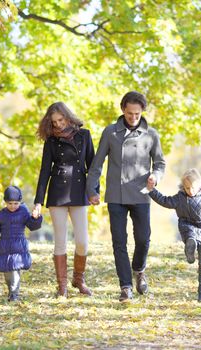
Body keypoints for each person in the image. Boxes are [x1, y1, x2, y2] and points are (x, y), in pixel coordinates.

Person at [86, 91, 166, 302]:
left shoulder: (151, 134)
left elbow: (160, 164)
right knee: (119, 242)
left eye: (137, 114)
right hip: (116, 195)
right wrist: (92, 190)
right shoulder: (110, 133)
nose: (133, 118)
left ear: (142, 112)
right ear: (123, 110)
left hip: (141, 194)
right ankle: (126, 286)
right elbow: (97, 164)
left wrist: (155, 177)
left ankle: (139, 269)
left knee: (143, 239)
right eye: (130, 113)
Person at [33, 102, 95, 298]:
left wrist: (94, 191)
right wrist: (38, 202)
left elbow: (92, 166)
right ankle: (62, 286)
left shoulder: (84, 135)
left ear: (68, 117)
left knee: (83, 242)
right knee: (60, 241)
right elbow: (44, 171)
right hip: (57, 193)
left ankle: (79, 279)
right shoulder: (51, 141)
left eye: (61, 120)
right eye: (54, 122)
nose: (58, 124)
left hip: (79, 191)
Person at [147, 168, 201, 303]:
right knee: (191, 236)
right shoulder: (180, 198)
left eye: (192, 187)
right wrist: (151, 190)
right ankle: (190, 248)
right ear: (183, 187)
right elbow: (165, 200)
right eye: (187, 188)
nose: (190, 191)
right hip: (188, 227)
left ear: (199, 184)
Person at [0, 185, 43, 302]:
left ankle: (14, 294)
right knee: (8, 274)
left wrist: (36, 218)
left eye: (16, 203)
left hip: (18, 247)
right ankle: (11, 291)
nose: (13, 206)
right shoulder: (1, 215)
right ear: (5, 202)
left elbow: (32, 226)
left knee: (15, 271)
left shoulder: (23, 212)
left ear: (19, 202)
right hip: (4, 247)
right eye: (10, 203)